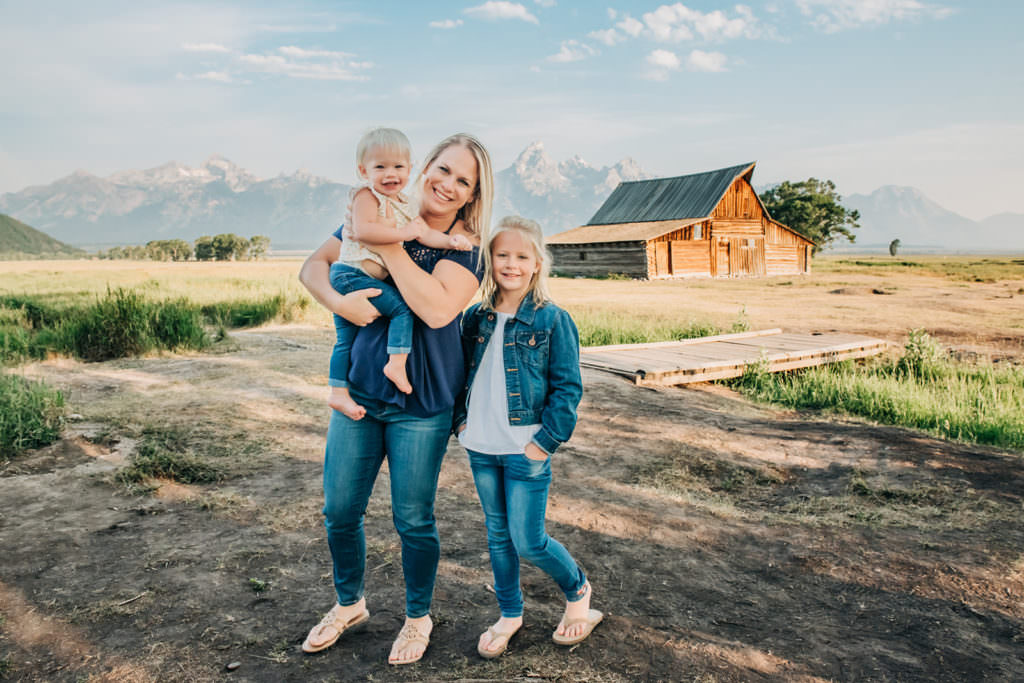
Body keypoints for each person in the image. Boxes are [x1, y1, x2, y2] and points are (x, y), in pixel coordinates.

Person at [298, 133, 494, 665]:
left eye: (463, 181)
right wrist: (338, 299)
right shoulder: (383, 210)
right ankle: (349, 604)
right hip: (361, 391)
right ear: (423, 167)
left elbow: (434, 310)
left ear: (474, 195)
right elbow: (312, 266)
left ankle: (417, 616)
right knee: (339, 510)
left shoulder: (466, 248)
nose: (448, 185)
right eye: (443, 169)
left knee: (413, 519)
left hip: (422, 403)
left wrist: (389, 246)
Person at [454, 215, 601, 659]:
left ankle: (579, 594)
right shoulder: (474, 318)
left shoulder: (553, 320)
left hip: (525, 449)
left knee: (528, 540)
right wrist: (461, 423)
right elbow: (459, 375)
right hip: (480, 446)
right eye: (502, 255)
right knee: (497, 535)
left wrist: (544, 441)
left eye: (521, 256)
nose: (511, 264)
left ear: (537, 263)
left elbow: (567, 388)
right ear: (489, 260)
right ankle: (509, 614)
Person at [327, 127, 471, 420]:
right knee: (401, 311)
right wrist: (339, 302)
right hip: (351, 276)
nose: (389, 174)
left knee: (345, 340)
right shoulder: (368, 197)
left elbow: (423, 234)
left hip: (360, 281)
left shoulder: (403, 205)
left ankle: (337, 391)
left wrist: (450, 242)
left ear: (410, 168)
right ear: (363, 170)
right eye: (380, 167)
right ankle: (395, 363)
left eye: (398, 166)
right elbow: (364, 232)